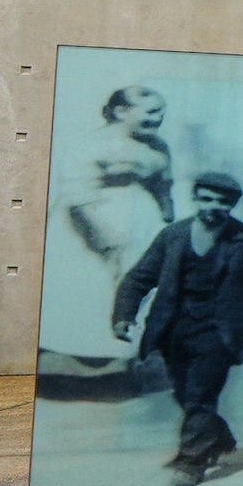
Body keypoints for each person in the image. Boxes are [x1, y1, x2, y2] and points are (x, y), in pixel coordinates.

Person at [111, 168, 243, 486]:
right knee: (185, 394)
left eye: (222, 202)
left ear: (232, 205)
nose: (213, 206)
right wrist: (124, 315)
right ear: (195, 198)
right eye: (207, 198)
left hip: (219, 334)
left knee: (200, 396)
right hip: (173, 330)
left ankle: (191, 462)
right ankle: (218, 438)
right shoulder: (173, 235)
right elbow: (140, 276)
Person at [42, 84, 174, 373]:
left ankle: (125, 357)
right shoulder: (92, 144)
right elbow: (77, 195)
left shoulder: (158, 146)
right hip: (90, 220)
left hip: (142, 220)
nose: (159, 118)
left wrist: (167, 220)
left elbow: (164, 185)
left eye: (162, 111)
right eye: (151, 111)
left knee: (136, 282)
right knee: (94, 284)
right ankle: (76, 359)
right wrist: (103, 235)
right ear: (121, 111)